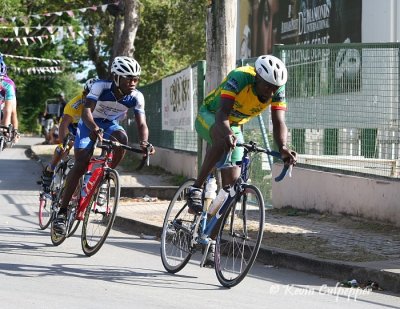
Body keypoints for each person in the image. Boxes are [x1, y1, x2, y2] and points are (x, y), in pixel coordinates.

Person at [187, 54, 297, 265]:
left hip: (234, 125)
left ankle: (209, 241)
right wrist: (227, 134)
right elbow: (221, 115)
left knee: (232, 188)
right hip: (211, 115)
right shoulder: (240, 77)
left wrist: (283, 148)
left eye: (276, 87)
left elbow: (278, 122)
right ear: (256, 77)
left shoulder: (277, 89)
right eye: (267, 86)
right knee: (220, 139)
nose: (271, 92)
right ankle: (196, 188)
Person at [53, 56, 155, 234]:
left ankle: (103, 178)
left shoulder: (137, 96)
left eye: (136, 79)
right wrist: (94, 128)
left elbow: (141, 124)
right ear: (116, 77)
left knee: (121, 140)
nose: (133, 82)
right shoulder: (100, 87)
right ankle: (61, 213)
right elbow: (86, 112)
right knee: (81, 163)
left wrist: (145, 142)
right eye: (128, 78)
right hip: (89, 123)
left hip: (110, 124)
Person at [41, 78, 98, 192]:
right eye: (89, 95)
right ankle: (50, 169)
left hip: (86, 128)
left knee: (87, 154)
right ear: (84, 93)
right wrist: (64, 143)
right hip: (71, 126)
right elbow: (63, 125)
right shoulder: (75, 103)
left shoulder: (101, 104)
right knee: (64, 149)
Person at [0, 58, 19, 141]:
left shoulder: (8, 85)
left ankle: (15, 132)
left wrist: (4, 127)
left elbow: (8, 111)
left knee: (12, 111)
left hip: (6, 101)